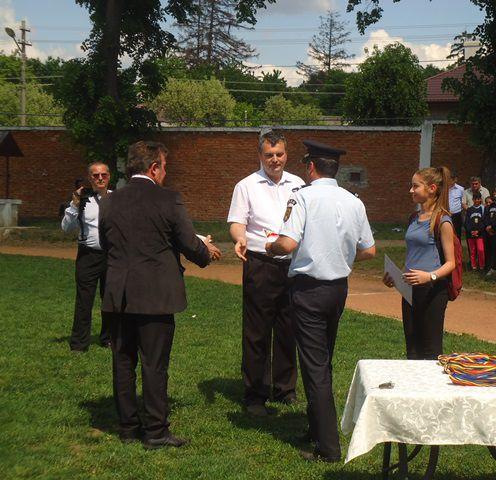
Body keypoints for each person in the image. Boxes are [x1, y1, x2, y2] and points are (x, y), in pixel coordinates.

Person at [99, 141, 221, 449]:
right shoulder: (169, 199)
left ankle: (128, 427)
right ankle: (155, 430)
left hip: (118, 294)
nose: (165, 173)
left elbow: (105, 242)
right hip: (155, 295)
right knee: (154, 364)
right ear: (154, 168)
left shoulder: (109, 201)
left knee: (123, 362)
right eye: (164, 167)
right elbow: (187, 242)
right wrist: (205, 252)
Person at [266, 140, 375, 463]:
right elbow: (369, 250)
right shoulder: (353, 201)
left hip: (309, 290)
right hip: (337, 289)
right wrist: (340, 256)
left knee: (315, 367)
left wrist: (270, 246)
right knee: (322, 361)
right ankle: (316, 428)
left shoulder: (302, 197)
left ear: (310, 167)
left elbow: (287, 244)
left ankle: (328, 448)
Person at [227, 130, 305, 417]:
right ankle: (255, 394)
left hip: (292, 265)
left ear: (287, 154)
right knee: (257, 331)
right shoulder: (246, 186)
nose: (275, 160)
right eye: (269, 155)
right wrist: (240, 238)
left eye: (279, 154)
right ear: (260, 155)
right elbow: (237, 222)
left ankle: (285, 388)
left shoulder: (299, 185)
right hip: (260, 263)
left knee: (288, 328)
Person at [382, 166, 456, 361]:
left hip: (432, 291)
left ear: (432, 188)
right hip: (409, 289)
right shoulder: (413, 218)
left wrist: (429, 276)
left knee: (431, 350)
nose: (411, 190)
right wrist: (396, 277)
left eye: (415, 186)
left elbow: (451, 263)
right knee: (412, 348)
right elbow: (414, 254)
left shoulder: (443, 220)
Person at [61, 162, 111, 352]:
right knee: (84, 300)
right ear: (90, 178)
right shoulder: (82, 200)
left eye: (103, 175)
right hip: (88, 256)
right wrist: (74, 203)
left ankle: (108, 338)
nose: (100, 178)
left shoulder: (117, 199)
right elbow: (66, 228)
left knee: (111, 299)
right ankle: (79, 343)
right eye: (96, 175)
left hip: (112, 256)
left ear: (109, 176)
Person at [484, 189, 496, 275]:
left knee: (495, 248)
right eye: (494, 194)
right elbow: (486, 216)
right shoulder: (490, 205)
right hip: (489, 230)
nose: (495, 196)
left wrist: (493, 227)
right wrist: (487, 226)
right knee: (490, 249)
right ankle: (493, 267)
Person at [464, 191, 485, 270]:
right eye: (475, 199)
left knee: (480, 249)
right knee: (472, 251)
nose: (477, 200)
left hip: (480, 234)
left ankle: (482, 265)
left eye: (478, 199)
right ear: (473, 199)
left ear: (480, 199)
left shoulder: (482, 209)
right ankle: (474, 266)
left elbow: (483, 222)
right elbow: (467, 222)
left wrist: (478, 231)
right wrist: (471, 231)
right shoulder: (469, 209)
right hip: (471, 234)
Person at [448, 172, 464, 239]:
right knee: (447, 233)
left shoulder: (460, 189)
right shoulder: (444, 189)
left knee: (457, 234)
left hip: (457, 215)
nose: (450, 181)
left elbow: (462, 202)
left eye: (451, 179)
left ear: (455, 179)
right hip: (446, 214)